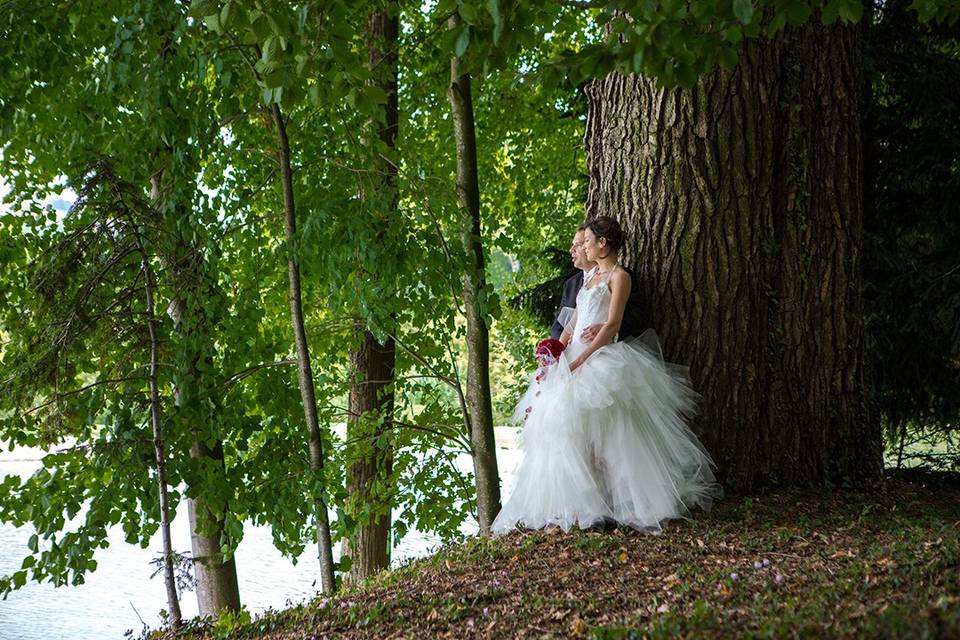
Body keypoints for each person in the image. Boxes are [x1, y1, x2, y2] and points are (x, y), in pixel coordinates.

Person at [492, 216, 720, 534]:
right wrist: (557, 352)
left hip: (602, 358)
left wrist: (584, 357)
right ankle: (581, 505)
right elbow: (573, 322)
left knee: (613, 435)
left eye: (587, 242)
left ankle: (623, 503)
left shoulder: (619, 276)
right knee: (568, 432)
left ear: (603, 243)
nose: (583, 247)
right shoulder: (588, 280)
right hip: (574, 357)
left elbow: (612, 324)